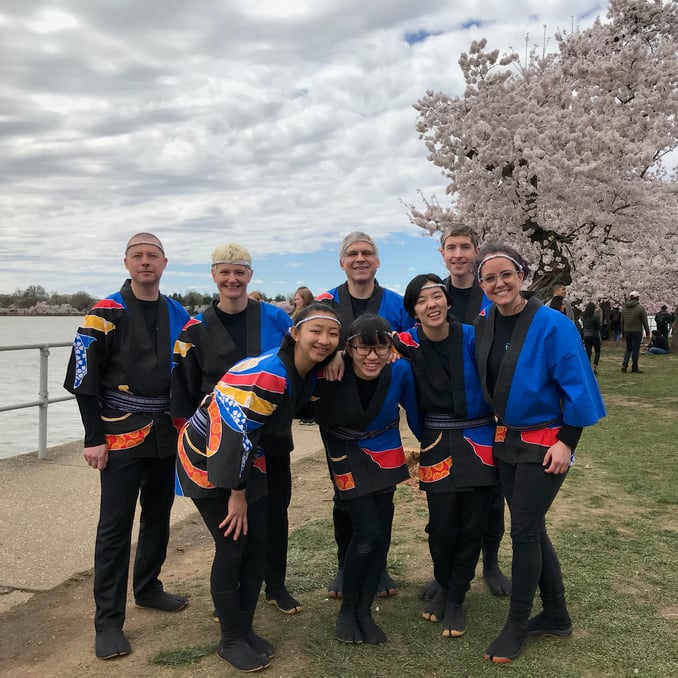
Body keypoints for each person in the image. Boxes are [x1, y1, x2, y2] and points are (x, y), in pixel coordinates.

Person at [176, 304, 341, 672]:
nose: (325, 340)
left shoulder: (303, 370)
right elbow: (235, 432)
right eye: (316, 331)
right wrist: (238, 494)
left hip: (252, 458)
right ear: (295, 333)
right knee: (233, 544)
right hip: (209, 454)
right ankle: (230, 639)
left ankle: (245, 629)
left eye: (333, 334)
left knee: (258, 543)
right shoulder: (270, 374)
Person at [473, 242, 605, 664]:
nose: (499, 283)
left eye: (506, 274)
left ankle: (516, 625)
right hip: (506, 439)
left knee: (525, 530)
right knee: (532, 525)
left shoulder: (553, 324)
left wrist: (568, 441)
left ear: (523, 276)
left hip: (547, 440)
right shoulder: (485, 322)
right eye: (489, 277)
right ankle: (557, 613)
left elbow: (577, 385)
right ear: (482, 284)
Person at [64, 233, 190, 660]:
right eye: (137, 255)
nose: (145, 262)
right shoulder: (103, 313)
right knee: (115, 527)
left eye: (152, 255)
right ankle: (108, 622)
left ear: (164, 262)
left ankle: (149, 587)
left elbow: (194, 368)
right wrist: (93, 437)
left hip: (166, 431)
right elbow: (84, 379)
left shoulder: (180, 313)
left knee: (159, 514)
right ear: (126, 262)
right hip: (118, 433)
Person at [171, 244, 302, 616]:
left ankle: (275, 585)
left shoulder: (275, 319)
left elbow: (302, 356)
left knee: (275, 513)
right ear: (214, 275)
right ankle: (230, 598)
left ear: (250, 276)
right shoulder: (194, 329)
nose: (232, 279)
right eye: (225, 272)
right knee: (232, 529)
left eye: (240, 272)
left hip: (270, 435)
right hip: (219, 439)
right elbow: (183, 386)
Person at [393, 274, 498, 639]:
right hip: (436, 439)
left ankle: (456, 598)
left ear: (448, 302)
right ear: (413, 311)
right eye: (422, 300)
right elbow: (365, 344)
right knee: (440, 526)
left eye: (437, 296)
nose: (431, 304)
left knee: (472, 525)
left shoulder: (474, 336)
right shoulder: (405, 342)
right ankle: (443, 582)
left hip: (479, 436)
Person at [317, 231, 414, 599]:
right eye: (353, 253)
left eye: (367, 253)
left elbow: (413, 341)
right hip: (340, 419)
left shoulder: (396, 302)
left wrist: (397, 353)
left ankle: (379, 566)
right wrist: (335, 354)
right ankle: (346, 565)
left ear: (377, 261)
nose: (360, 258)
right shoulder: (326, 303)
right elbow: (307, 342)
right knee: (344, 497)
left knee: (382, 497)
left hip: (381, 419)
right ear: (342, 262)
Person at [313, 315, 421, 644]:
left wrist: (435, 449)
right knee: (367, 531)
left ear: (390, 349)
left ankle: (364, 609)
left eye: (380, 348)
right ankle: (348, 611)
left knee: (382, 532)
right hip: (344, 449)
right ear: (349, 346)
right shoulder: (333, 369)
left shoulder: (400, 370)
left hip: (384, 448)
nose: (371, 356)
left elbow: (415, 412)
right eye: (363, 347)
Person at [427, 225, 511, 598]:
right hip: (443, 414)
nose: (458, 254)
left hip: (486, 412)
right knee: (442, 501)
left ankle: (489, 563)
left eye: (465, 247)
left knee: (489, 499)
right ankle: (442, 571)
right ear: (442, 254)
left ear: (476, 251)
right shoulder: (433, 295)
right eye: (451, 248)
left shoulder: (493, 291)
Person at [621, 291, 650, 373]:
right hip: (637, 331)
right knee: (635, 350)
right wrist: (647, 333)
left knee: (628, 349)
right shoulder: (640, 308)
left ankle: (624, 365)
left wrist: (622, 332)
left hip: (627, 330)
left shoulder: (624, 307)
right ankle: (634, 367)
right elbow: (645, 322)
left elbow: (622, 321)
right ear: (637, 298)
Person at [581, 302, 602, 374]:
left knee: (588, 352)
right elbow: (598, 327)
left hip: (586, 336)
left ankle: (588, 367)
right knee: (597, 351)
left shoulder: (584, 317)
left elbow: (583, 325)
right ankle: (595, 366)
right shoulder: (595, 317)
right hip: (594, 335)